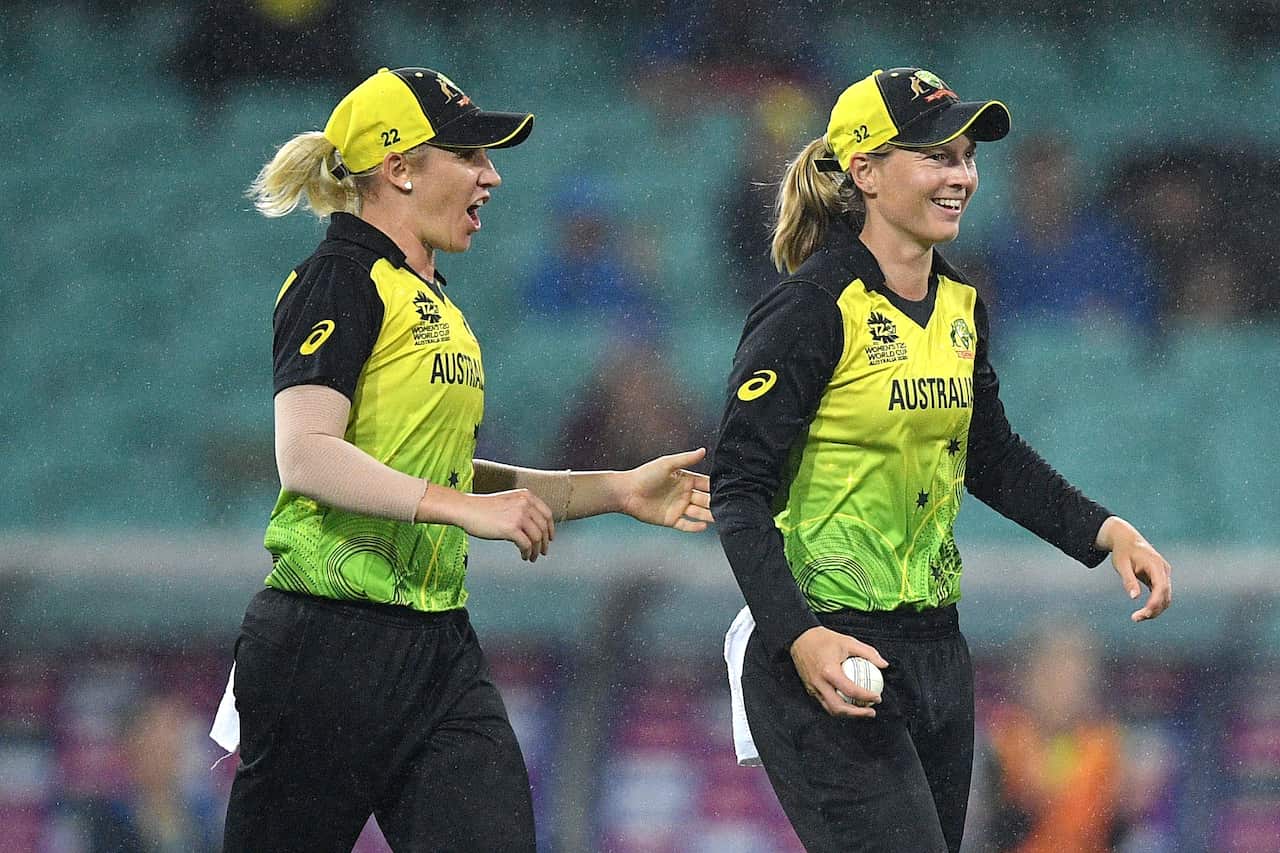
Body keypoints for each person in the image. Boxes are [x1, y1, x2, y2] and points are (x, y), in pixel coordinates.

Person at [215, 66, 714, 853]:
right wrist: (461, 509)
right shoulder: (338, 278)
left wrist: (617, 489)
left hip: (436, 646)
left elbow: (445, 474)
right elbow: (307, 456)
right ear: (400, 167)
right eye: (470, 156)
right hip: (325, 643)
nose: (492, 174)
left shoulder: (436, 302)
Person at [711, 67, 1172, 853]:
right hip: (829, 642)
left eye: (965, 156)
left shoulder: (961, 304)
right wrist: (800, 637)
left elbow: (987, 455)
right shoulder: (812, 308)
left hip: (934, 652)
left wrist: (1105, 531)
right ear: (865, 171)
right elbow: (739, 489)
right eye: (935, 155)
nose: (960, 175)